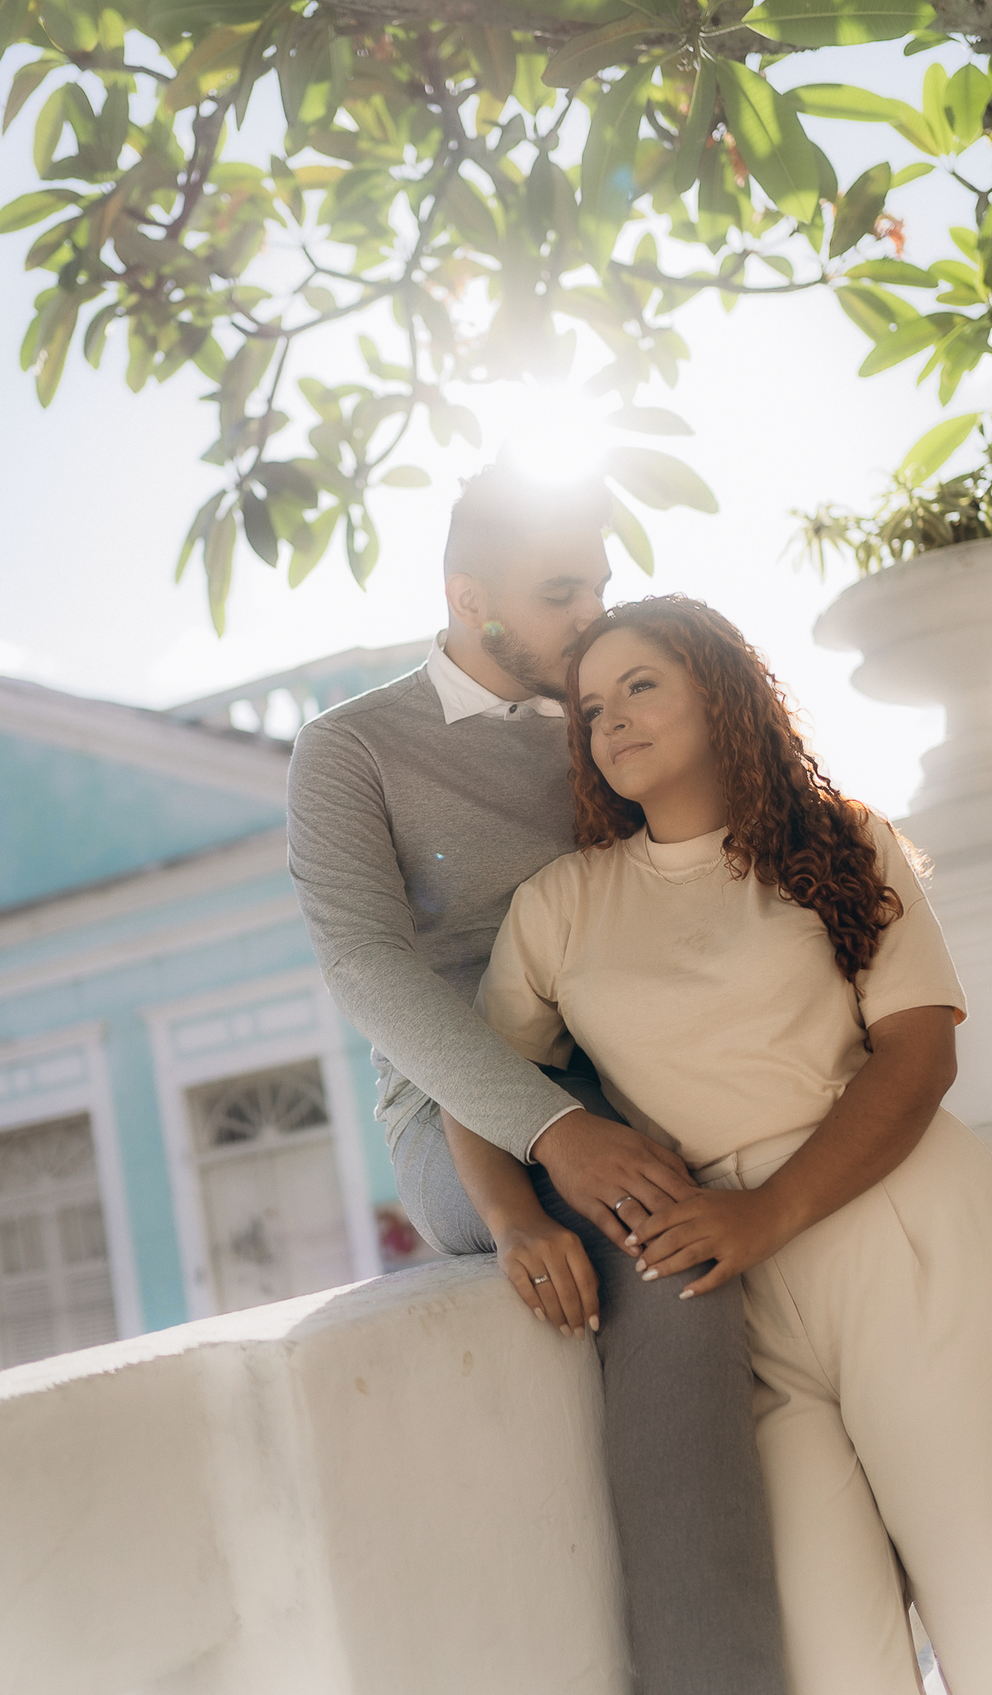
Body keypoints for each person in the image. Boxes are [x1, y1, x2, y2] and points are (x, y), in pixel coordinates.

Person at [462, 592, 992, 1695]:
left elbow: (919, 1055)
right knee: (829, 1659)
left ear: (723, 690)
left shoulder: (842, 840)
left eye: (642, 684)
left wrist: (764, 1214)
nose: (612, 720)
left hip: (908, 1234)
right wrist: (512, 1216)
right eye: (592, 706)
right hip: (725, 1303)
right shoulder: (559, 905)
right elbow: (476, 1086)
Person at [287, 471, 787, 1695]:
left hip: (653, 1068)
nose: (593, 615)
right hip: (468, 1118)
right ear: (471, 599)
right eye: (563, 592)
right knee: (679, 1267)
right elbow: (364, 967)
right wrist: (548, 1135)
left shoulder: (607, 719)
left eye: (602, 586)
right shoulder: (349, 748)